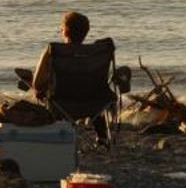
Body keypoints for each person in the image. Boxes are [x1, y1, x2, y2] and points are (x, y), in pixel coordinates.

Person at [23, 10, 118, 144]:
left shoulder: (54, 51)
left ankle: (58, 134)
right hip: (96, 103)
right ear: (86, 32)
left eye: (61, 29)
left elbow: (37, 83)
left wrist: (42, 87)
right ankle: (101, 137)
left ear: (66, 32)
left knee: (42, 92)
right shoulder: (98, 52)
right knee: (89, 87)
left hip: (62, 104)